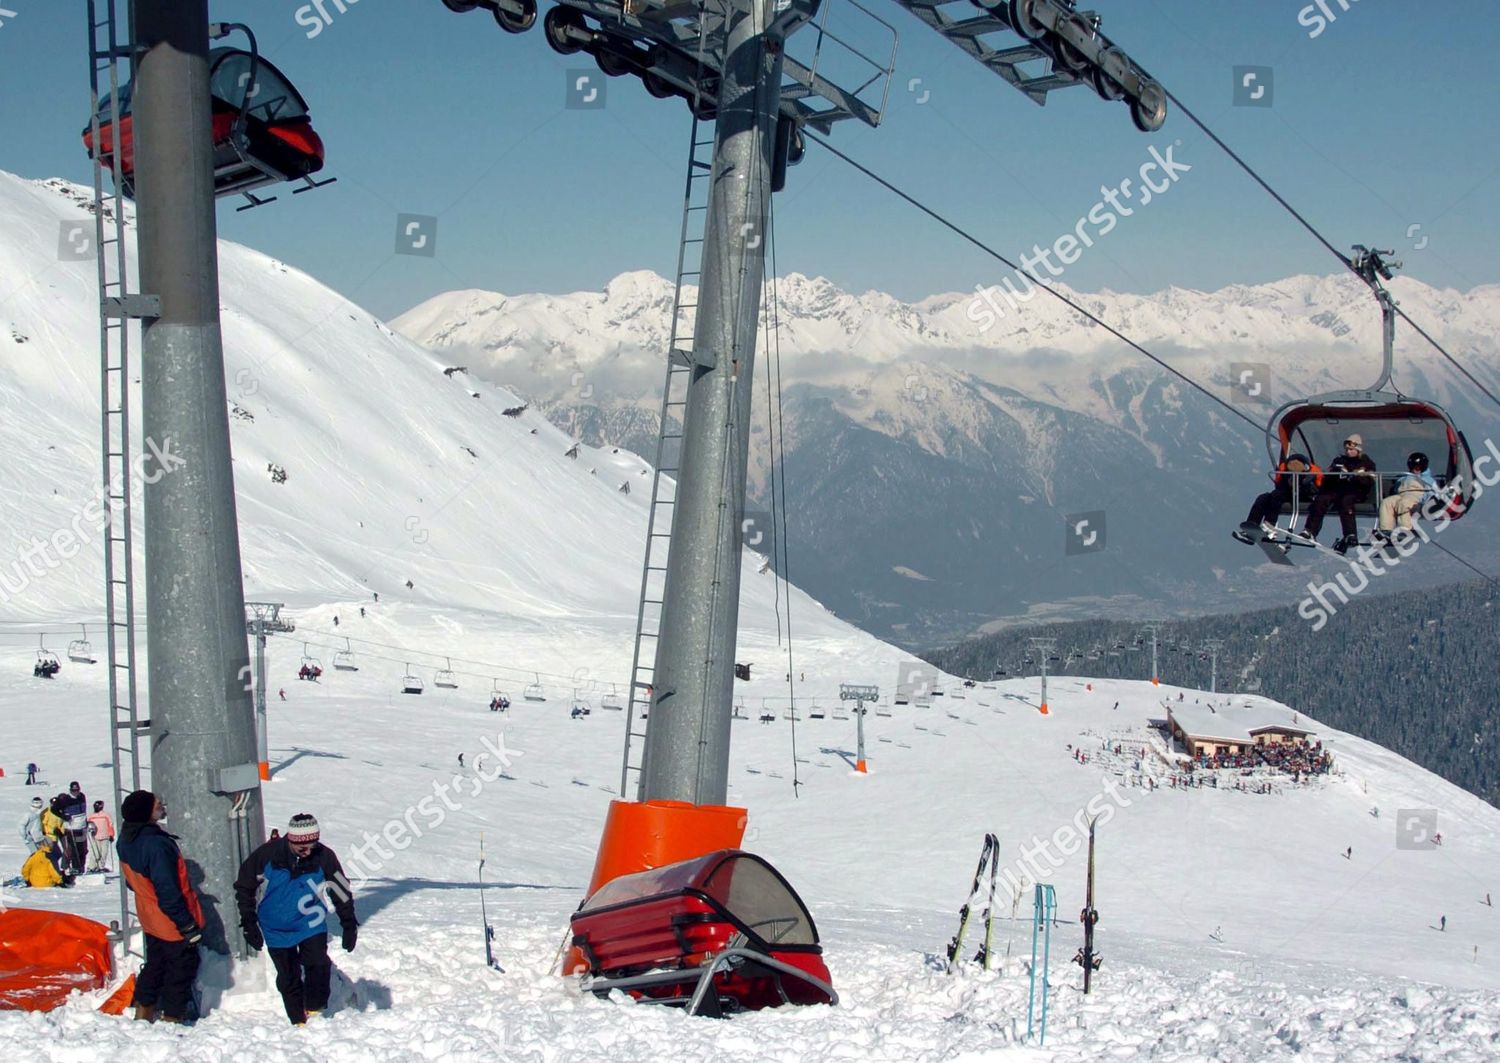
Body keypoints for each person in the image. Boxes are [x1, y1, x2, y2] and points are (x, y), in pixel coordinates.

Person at [235, 814, 358, 1026]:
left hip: (310, 921)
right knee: (288, 976)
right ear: (291, 841)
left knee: (318, 966)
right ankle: (297, 1021)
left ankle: (315, 1010)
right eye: (303, 848)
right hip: (275, 927)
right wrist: (249, 922)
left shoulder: (324, 856)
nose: (309, 851)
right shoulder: (269, 855)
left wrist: (349, 924)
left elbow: (340, 891)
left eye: (313, 845)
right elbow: (245, 885)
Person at [116, 790, 204, 1024]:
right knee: (181, 968)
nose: (162, 806)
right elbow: (168, 891)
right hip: (170, 920)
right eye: (157, 804)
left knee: (155, 964)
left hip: (149, 916)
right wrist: (186, 924)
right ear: (146, 812)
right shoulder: (156, 844)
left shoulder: (126, 838)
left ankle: (143, 1010)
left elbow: (131, 881)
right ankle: (172, 1019)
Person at [1298, 434, 1377, 552]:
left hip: (1355, 491)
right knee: (1321, 500)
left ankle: (1350, 534)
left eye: (1351, 449)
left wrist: (1354, 476)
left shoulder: (1365, 462)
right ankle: (1310, 531)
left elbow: (1370, 481)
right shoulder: (1339, 461)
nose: (1348, 452)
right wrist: (1337, 473)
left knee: (1346, 502)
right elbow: (1327, 478)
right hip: (1337, 489)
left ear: (1358, 449)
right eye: (1347, 449)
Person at [1234, 453, 1322, 544]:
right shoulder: (1284, 470)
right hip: (1288, 494)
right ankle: (1252, 525)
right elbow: (1279, 485)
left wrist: (1305, 483)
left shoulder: (1314, 473)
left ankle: (1270, 526)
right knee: (1263, 498)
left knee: (1277, 496)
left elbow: (1318, 489)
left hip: (1305, 497)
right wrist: (1288, 481)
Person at [1374, 451, 1439, 544]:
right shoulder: (1405, 477)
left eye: (1418, 467)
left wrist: (1430, 502)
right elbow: (1397, 487)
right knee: (1386, 502)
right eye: (1413, 467)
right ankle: (1386, 529)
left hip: (1416, 496)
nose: (1415, 470)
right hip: (1402, 494)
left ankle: (1406, 529)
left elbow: (1434, 492)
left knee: (1403, 503)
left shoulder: (1427, 480)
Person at [61, 782, 89, 874]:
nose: (76, 792)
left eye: (77, 790)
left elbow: (84, 811)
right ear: (70, 790)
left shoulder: (82, 796)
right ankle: (75, 867)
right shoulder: (66, 799)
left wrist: (85, 821)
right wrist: (65, 816)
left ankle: (81, 867)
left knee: (83, 849)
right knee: (74, 848)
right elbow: (58, 810)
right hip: (71, 828)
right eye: (73, 790)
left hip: (82, 827)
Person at [87, 800, 116, 874]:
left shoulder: (106, 815)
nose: (97, 808)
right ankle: (91, 867)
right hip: (95, 837)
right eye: (96, 806)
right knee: (96, 853)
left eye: (98, 806)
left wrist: (111, 835)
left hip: (105, 836)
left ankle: (101, 867)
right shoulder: (91, 816)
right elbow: (89, 826)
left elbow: (110, 825)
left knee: (104, 853)